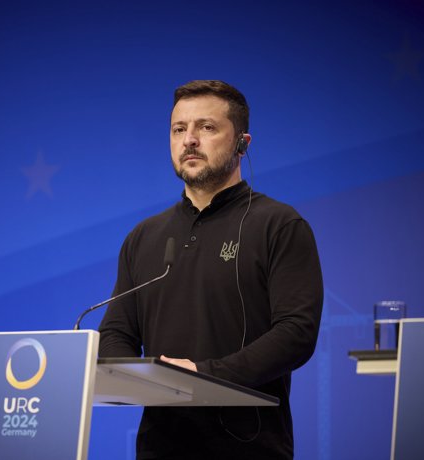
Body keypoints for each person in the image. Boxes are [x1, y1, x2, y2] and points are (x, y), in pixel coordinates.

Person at [98, 79, 324, 459]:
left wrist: (203, 374)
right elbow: (117, 330)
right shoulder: (144, 236)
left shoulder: (279, 225)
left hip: (252, 449)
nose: (189, 140)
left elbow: (296, 333)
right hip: (160, 447)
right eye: (179, 129)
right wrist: (134, 377)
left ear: (242, 144)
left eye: (206, 127)